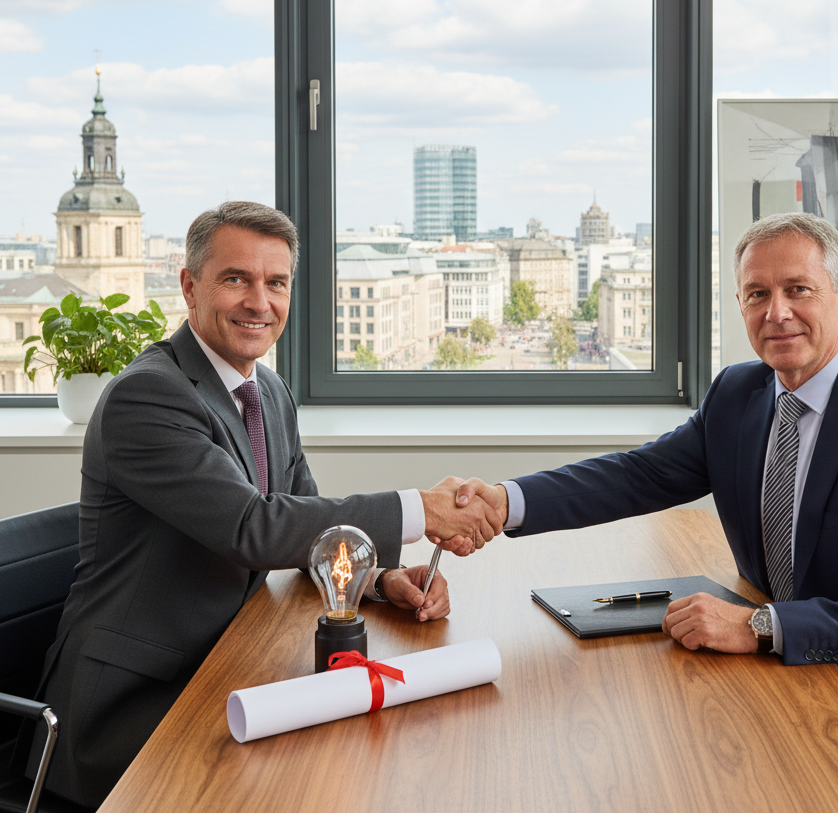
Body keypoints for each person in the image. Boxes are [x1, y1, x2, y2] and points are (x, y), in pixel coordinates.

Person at [448, 212, 838, 812]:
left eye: (798, 289)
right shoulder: (737, 395)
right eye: (757, 294)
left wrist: (760, 626)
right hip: (787, 683)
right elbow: (638, 475)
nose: (777, 312)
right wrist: (504, 502)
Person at [31, 201, 502, 807]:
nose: (260, 302)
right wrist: (423, 510)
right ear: (189, 287)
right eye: (236, 279)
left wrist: (382, 579)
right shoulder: (147, 396)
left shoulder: (268, 390)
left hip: (227, 667)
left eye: (275, 283)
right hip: (136, 705)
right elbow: (254, 528)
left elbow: (308, 522)